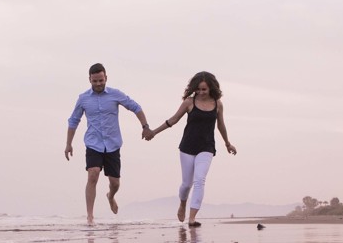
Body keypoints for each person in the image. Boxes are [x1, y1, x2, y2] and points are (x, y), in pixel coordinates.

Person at [144, 70, 236, 227]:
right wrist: (153, 132)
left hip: (206, 147)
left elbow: (221, 125)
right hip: (187, 147)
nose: (201, 92)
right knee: (186, 184)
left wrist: (227, 143)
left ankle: (192, 218)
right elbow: (173, 120)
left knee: (199, 180)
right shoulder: (189, 102)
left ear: (211, 88)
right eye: (198, 89)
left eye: (204, 89)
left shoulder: (217, 104)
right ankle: (182, 204)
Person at [65, 63, 153, 225]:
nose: (98, 84)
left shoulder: (115, 94)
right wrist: (68, 144)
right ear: (89, 80)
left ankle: (110, 196)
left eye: (101, 80)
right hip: (93, 143)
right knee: (93, 174)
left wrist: (145, 126)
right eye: (95, 81)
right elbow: (73, 120)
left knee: (115, 183)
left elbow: (135, 107)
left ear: (106, 78)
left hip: (113, 144)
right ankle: (90, 217)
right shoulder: (83, 98)